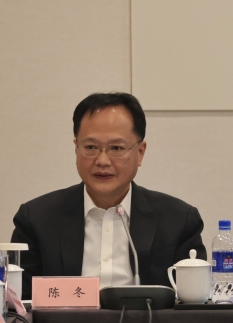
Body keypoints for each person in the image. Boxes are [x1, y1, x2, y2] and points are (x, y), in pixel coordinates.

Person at [11, 92, 206, 299]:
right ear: (76, 149)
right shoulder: (37, 219)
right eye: (91, 147)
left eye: (116, 148)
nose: (102, 161)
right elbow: (17, 304)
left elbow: (194, 305)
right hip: (65, 322)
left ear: (140, 153)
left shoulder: (178, 221)